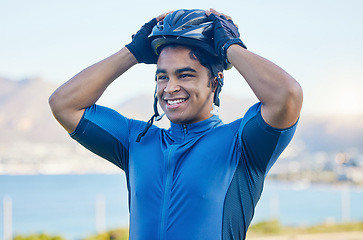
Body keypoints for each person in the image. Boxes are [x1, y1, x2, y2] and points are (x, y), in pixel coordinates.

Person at [49, 8, 303, 240]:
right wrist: (132, 53)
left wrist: (230, 47)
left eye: (185, 75)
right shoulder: (135, 140)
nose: (170, 88)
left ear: (215, 82)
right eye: (162, 77)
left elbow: (287, 95)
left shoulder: (242, 144)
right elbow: (63, 104)